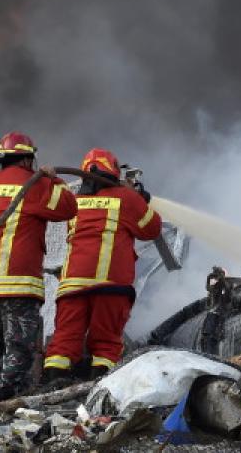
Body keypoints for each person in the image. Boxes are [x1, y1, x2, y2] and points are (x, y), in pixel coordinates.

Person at [0, 131, 77, 400]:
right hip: (17, 278)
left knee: (3, 334)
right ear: (27, 160)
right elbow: (68, 207)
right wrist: (52, 178)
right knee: (21, 341)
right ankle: (7, 392)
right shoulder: (34, 185)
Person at [42, 148, 161, 385]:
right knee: (105, 343)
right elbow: (152, 229)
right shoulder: (126, 199)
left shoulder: (75, 204)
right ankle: (99, 387)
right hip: (111, 285)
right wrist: (139, 198)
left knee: (64, 339)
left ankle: (52, 386)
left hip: (73, 285)